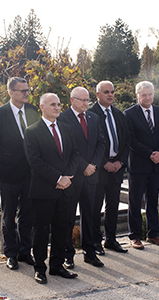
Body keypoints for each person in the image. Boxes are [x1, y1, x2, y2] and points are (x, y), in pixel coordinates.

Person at [24, 93, 81, 284]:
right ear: (41, 107)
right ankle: (40, 267)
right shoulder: (32, 131)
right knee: (41, 230)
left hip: (65, 189)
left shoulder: (66, 129)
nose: (57, 108)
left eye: (58, 104)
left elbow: (74, 154)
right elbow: (35, 161)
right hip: (44, 190)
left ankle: (57, 265)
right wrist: (57, 178)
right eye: (52, 104)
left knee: (62, 228)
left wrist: (67, 177)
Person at [0, 77, 40, 270]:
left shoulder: (33, 111)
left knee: (27, 213)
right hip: (9, 174)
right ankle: (11, 253)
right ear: (10, 92)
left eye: (27, 90)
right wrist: (1, 166)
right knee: (9, 215)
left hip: (31, 173)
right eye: (22, 90)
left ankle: (25, 251)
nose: (26, 93)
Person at [58, 87, 107, 268]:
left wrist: (93, 165)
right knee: (68, 217)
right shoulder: (63, 119)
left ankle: (90, 252)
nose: (86, 104)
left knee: (90, 215)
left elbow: (101, 143)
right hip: (73, 176)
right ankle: (67, 254)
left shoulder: (94, 118)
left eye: (88, 100)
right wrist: (83, 166)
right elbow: (68, 148)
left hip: (91, 175)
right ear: (72, 100)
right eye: (82, 100)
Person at [124, 81, 159, 249]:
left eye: (150, 94)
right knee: (135, 202)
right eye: (144, 95)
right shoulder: (129, 114)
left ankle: (153, 234)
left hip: (155, 166)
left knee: (153, 201)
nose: (147, 97)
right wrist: (149, 153)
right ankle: (135, 236)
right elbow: (130, 139)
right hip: (138, 164)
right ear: (137, 96)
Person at [90, 80, 131, 253]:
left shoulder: (118, 114)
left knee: (113, 205)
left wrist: (120, 162)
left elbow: (126, 140)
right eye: (106, 92)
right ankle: (95, 242)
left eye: (112, 92)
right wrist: (104, 162)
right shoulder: (91, 114)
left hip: (116, 167)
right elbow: (90, 144)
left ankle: (111, 239)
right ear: (97, 95)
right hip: (99, 169)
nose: (110, 95)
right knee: (95, 206)